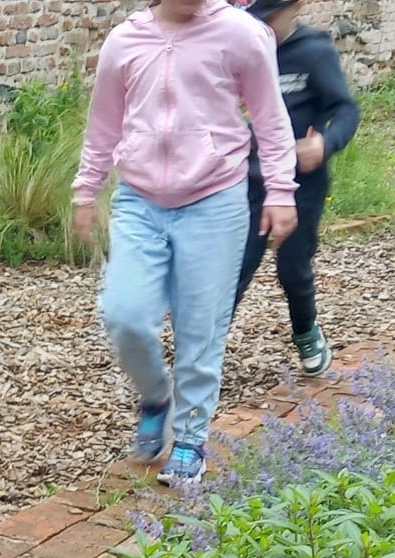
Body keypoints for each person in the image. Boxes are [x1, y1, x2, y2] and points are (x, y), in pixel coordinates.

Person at [71, 0, 299, 486]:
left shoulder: (243, 35)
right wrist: (86, 190)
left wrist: (280, 190)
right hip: (140, 199)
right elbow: (104, 124)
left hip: (214, 201)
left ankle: (191, 435)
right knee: (124, 314)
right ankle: (156, 395)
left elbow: (270, 120)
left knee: (201, 328)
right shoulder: (125, 41)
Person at [233, 0, 361, 376]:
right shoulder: (239, 50)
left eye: (270, 19)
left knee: (292, 269)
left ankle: (306, 331)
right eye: (255, 20)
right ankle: (204, 351)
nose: (262, 27)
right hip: (248, 182)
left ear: (297, 6)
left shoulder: (314, 51)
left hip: (300, 184)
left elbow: (347, 109)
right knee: (232, 270)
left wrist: (325, 142)